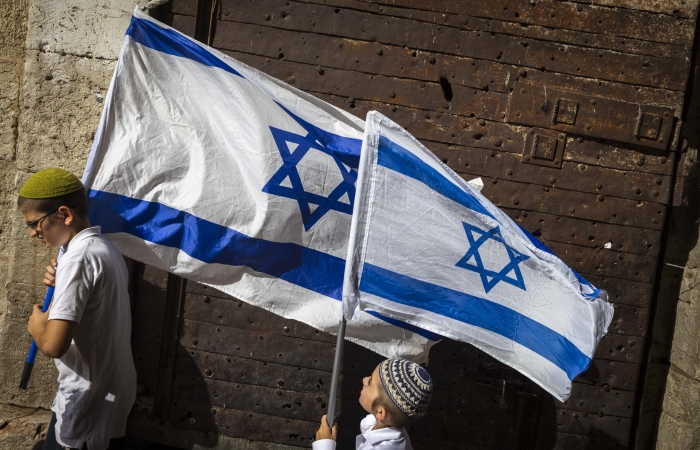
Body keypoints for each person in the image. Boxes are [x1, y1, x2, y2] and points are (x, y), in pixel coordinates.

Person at [19, 168, 136, 450]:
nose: (33, 233)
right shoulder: (103, 248)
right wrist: (63, 286)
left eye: (35, 224)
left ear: (64, 214)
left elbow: (53, 345)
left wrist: (36, 326)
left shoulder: (78, 259)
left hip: (87, 399)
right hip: (108, 391)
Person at [313, 358, 433, 450]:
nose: (364, 380)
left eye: (370, 382)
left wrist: (324, 444)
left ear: (380, 412)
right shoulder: (394, 430)